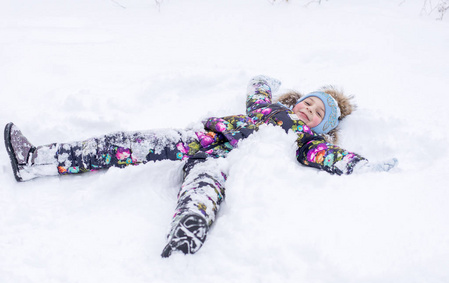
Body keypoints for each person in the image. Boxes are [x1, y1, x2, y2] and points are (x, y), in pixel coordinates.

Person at [4, 75, 397, 257]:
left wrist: (364, 167)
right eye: (307, 102)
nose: (306, 110)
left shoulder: (306, 140)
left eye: (315, 113)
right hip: (195, 138)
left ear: (322, 127)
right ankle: (35, 158)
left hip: (221, 160)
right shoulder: (271, 108)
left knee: (203, 191)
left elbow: (331, 157)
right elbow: (255, 96)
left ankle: (183, 246)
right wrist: (262, 83)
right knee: (123, 144)